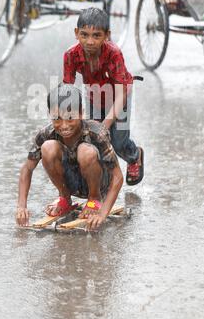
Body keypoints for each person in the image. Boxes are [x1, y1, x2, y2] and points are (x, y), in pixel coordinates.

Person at [16, 84, 124, 231]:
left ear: (81, 113)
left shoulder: (97, 132)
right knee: (47, 147)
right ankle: (64, 199)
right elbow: (27, 168)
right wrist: (21, 207)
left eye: (70, 118)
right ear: (50, 114)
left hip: (98, 185)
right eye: (57, 119)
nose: (64, 125)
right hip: (71, 182)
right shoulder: (46, 133)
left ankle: (93, 200)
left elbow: (117, 177)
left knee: (85, 151)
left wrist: (102, 214)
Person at [63, 8, 144, 186]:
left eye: (96, 35)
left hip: (119, 96)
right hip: (94, 96)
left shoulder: (113, 54)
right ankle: (100, 183)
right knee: (92, 139)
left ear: (107, 35)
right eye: (84, 35)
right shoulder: (70, 55)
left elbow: (122, 93)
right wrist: (69, 118)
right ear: (76, 33)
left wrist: (105, 125)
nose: (90, 41)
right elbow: (68, 90)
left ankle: (134, 155)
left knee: (117, 140)